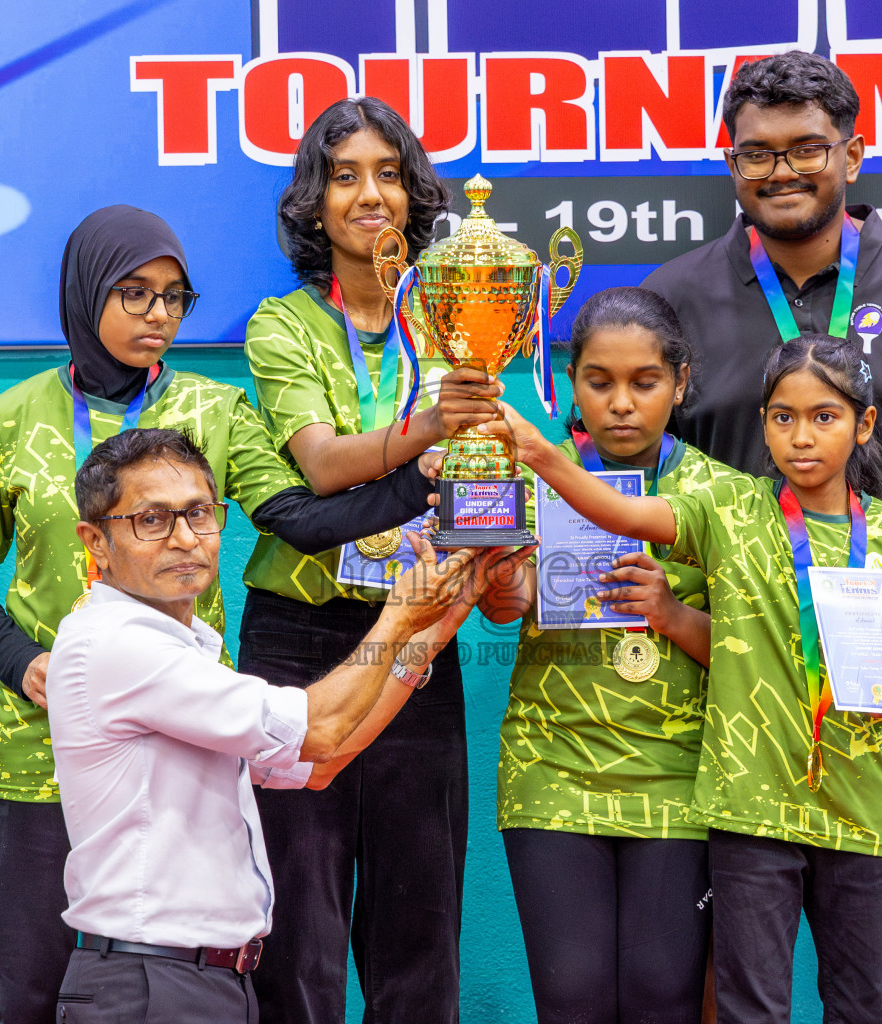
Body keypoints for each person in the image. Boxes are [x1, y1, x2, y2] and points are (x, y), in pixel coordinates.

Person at [0, 205, 446, 1024]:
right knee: (26, 993)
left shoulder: (215, 409)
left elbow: (299, 520)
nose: (159, 315)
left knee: (176, 962)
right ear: (86, 293)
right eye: (135, 293)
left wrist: (423, 480)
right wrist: (20, 659)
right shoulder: (8, 420)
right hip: (41, 757)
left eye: (175, 297)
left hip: (185, 737)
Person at [642, 51, 882, 1022]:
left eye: (806, 148)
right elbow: (633, 468)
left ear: (852, 154)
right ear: (730, 163)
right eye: (757, 153)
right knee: (731, 925)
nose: (781, 171)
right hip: (728, 659)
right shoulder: (675, 299)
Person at [489, 330, 882, 1024]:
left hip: (856, 809)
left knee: (865, 1004)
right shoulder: (727, 509)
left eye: (824, 417)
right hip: (748, 810)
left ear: (864, 424)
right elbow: (622, 512)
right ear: (763, 423)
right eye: (784, 417)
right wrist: (543, 455)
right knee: (749, 1006)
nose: (802, 436)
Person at [46, 426, 492, 1022]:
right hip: (152, 986)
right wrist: (397, 618)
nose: (185, 538)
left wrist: (437, 626)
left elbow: (320, 764)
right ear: (95, 542)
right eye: (151, 520)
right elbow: (320, 729)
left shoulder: (183, 649)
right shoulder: (116, 643)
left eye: (199, 514)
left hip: (210, 982)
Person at [239, 97, 503, 1024]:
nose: (370, 195)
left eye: (389, 173)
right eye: (344, 175)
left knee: (418, 928)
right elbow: (320, 465)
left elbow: (492, 453)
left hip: (420, 626)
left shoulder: (455, 317)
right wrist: (433, 424)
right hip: (297, 639)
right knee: (297, 929)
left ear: (414, 193)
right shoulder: (280, 324)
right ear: (313, 203)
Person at [476, 288, 723, 1023]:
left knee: (663, 996)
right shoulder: (528, 478)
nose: (620, 403)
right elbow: (505, 603)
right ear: (571, 382)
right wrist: (504, 588)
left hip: (682, 774)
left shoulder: (729, 497)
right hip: (553, 766)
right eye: (599, 381)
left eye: (644, 382)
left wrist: (673, 615)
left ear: (680, 382)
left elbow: (753, 653)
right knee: (572, 996)